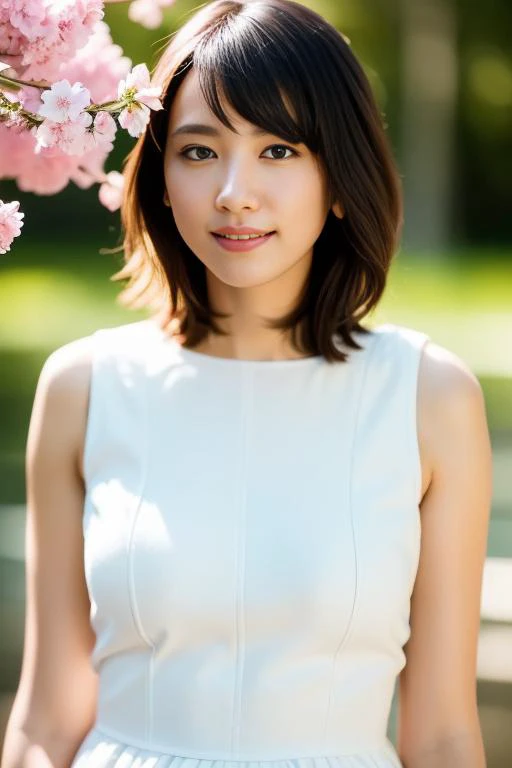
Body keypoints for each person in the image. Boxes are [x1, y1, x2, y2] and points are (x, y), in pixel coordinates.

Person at [1, 1, 492, 767]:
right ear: (160, 177)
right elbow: (46, 719)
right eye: (199, 152)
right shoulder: (85, 388)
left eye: (280, 150)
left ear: (340, 176)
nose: (234, 191)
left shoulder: (429, 399)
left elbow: (443, 735)